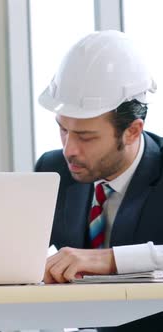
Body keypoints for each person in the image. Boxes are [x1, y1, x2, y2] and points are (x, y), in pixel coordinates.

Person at [35, 30, 163, 331]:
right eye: (63, 130)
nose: (70, 150)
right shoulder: (52, 169)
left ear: (132, 130)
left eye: (86, 137)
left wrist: (109, 261)